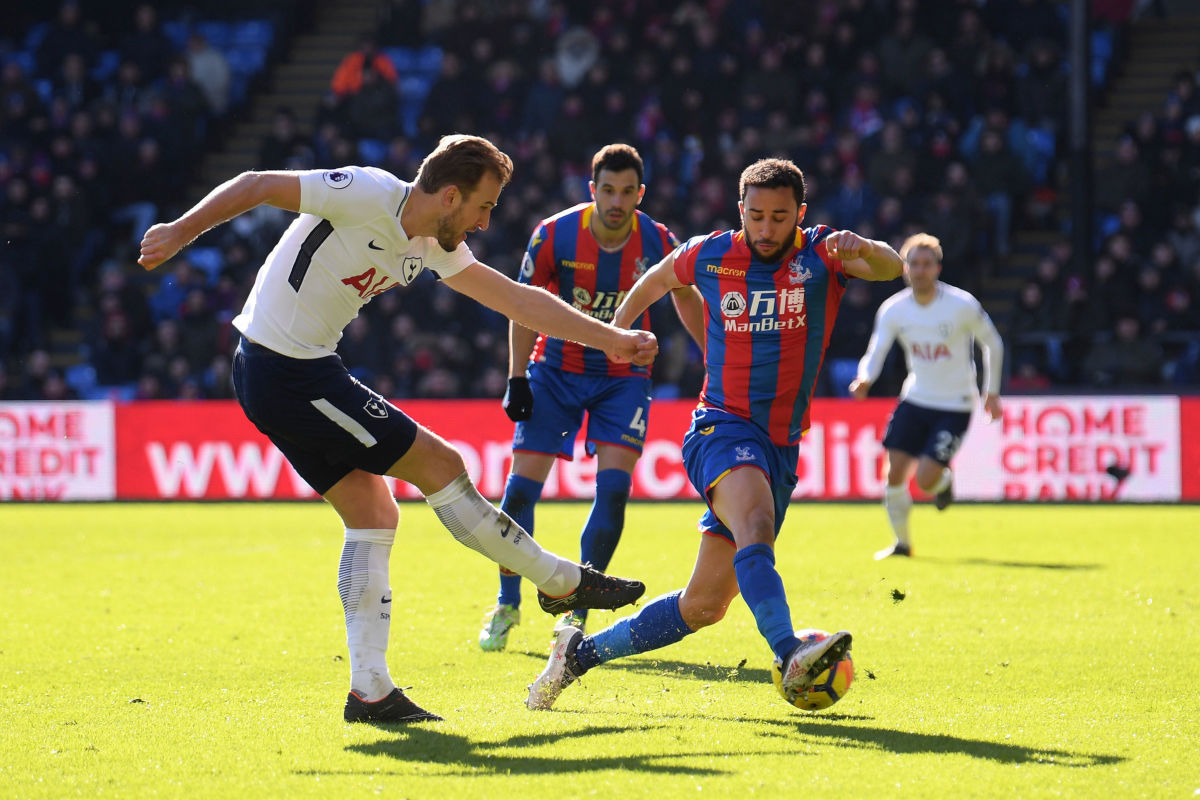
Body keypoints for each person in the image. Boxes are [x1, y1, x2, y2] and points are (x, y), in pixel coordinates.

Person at [137, 134, 654, 724]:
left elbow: (518, 301)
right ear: (451, 196)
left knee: (375, 514)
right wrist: (179, 231)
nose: (485, 223)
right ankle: (558, 581)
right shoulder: (365, 191)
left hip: (292, 370)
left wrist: (612, 339)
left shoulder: (431, 242)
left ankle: (371, 692)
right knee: (441, 465)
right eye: (484, 206)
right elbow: (256, 185)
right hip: (286, 372)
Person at [524, 157, 903, 711]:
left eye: (779, 217)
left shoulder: (823, 252)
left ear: (799, 213)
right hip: (721, 426)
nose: (766, 228)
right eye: (756, 216)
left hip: (781, 445)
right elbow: (657, 279)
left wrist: (864, 245)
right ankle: (789, 651)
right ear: (740, 210)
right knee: (756, 524)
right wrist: (617, 334)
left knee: (703, 605)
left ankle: (578, 656)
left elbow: (891, 267)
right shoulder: (711, 252)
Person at [477, 143, 701, 651]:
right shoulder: (554, 234)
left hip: (623, 379)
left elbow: (686, 296)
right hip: (555, 372)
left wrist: (712, 356)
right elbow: (521, 305)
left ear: (640, 194)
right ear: (592, 190)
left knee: (614, 491)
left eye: (627, 192)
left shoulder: (658, 239)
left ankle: (577, 610)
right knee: (518, 494)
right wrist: (516, 377)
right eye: (608, 190)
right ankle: (507, 602)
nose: (617, 201)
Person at [848, 233, 1003, 560]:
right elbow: (877, 350)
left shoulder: (961, 305)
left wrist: (991, 392)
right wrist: (865, 378)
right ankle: (902, 544)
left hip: (955, 404)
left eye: (926, 264)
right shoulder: (894, 309)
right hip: (916, 398)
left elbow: (993, 343)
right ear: (904, 267)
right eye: (914, 264)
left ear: (937, 268)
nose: (920, 270)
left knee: (925, 480)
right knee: (894, 473)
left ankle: (943, 481)